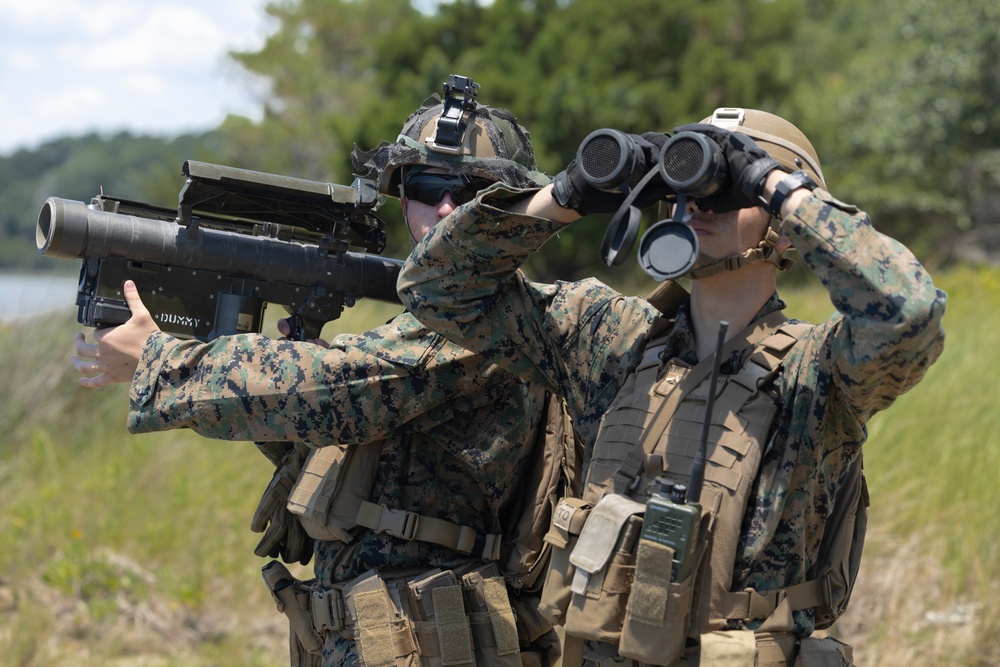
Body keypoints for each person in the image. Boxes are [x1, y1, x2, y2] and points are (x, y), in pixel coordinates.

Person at [398, 107, 947, 667]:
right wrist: (570, 194)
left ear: (782, 227)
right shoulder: (609, 337)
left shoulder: (817, 373)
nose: (700, 203)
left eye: (726, 189)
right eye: (688, 183)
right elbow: (434, 286)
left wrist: (775, 186)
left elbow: (909, 312)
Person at [71, 76, 579, 667]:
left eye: (472, 191)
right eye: (428, 184)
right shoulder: (426, 323)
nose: (445, 206)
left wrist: (160, 360)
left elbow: (336, 391)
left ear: (512, 207)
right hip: (380, 637)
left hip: (443, 640)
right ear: (403, 195)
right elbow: (342, 452)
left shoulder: (488, 322)